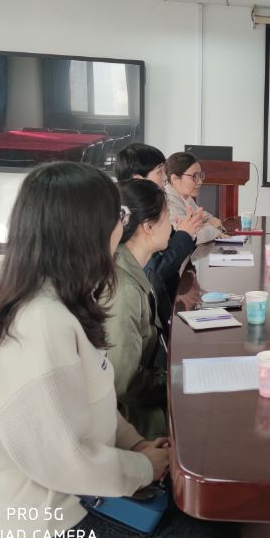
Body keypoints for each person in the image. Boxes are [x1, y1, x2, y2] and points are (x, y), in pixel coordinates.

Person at [0, 161, 256, 538]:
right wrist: (142, 467)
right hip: (35, 536)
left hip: (75, 503)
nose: (122, 225)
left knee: (212, 529)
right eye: (116, 215)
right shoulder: (38, 324)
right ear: (83, 230)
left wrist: (136, 445)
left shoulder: (62, 299)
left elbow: (95, 395)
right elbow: (65, 463)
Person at [105, 179, 171, 439]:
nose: (173, 224)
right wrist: (174, 380)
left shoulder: (132, 267)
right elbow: (125, 384)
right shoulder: (124, 289)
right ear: (148, 226)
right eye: (168, 217)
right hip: (128, 420)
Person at [116, 143, 204, 327]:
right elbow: (154, 270)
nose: (165, 178)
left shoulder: (152, 207)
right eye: (159, 171)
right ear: (138, 179)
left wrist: (185, 233)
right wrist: (184, 235)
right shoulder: (133, 219)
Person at [164, 151, 222, 243]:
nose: (200, 182)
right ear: (175, 179)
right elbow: (189, 235)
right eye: (194, 176)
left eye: (200, 175)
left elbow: (203, 216)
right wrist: (212, 226)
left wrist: (211, 223)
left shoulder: (185, 196)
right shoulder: (167, 201)